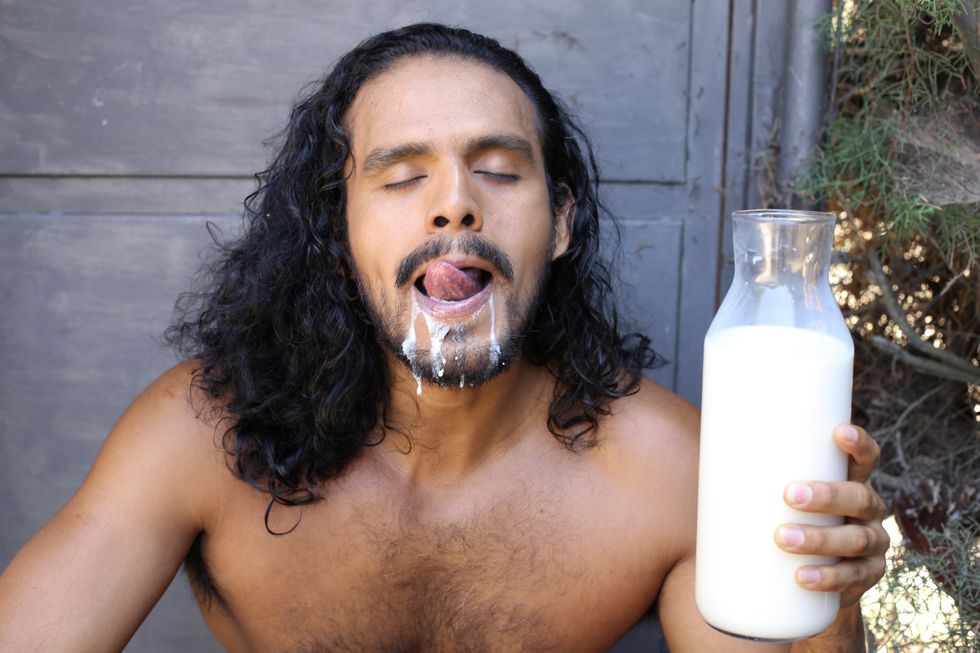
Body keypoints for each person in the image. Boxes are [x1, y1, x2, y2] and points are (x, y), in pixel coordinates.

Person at [0, 23, 888, 652]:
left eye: (498, 170)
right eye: (401, 177)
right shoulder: (198, 436)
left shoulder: (673, 472)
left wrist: (830, 604)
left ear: (564, 222)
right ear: (334, 226)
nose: (455, 201)